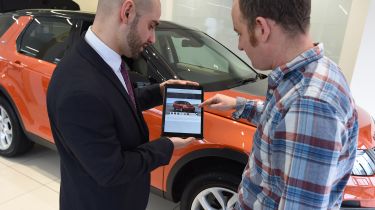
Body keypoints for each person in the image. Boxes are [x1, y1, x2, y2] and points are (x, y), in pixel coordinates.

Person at [200, 0, 358, 209]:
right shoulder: (315, 72)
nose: (240, 46)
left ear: (261, 28)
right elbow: (280, 119)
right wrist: (239, 105)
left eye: (239, 33)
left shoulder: (310, 105)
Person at [46, 0, 198, 209]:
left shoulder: (100, 59)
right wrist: (168, 145)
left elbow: (114, 101)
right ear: (127, 12)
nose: (152, 38)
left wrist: (159, 91)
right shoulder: (79, 90)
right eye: (151, 25)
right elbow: (113, 170)